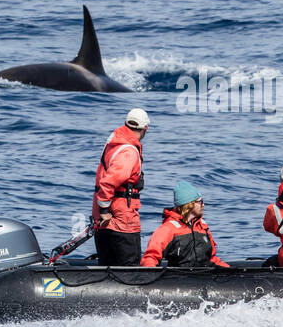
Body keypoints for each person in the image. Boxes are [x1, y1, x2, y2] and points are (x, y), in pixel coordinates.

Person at [92, 108, 149, 266]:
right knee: (129, 267)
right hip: (121, 220)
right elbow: (109, 182)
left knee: (106, 264)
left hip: (103, 218)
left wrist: (101, 211)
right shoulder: (129, 152)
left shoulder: (114, 144)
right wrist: (104, 210)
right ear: (145, 128)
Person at [141, 181, 230, 268]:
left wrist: (229, 271)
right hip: (179, 279)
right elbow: (150, 258)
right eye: (200, 202)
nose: (203, 205)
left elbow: (212, 258)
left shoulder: (202, 226)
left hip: (204, 277)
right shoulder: (167, 229)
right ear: (189, 205)